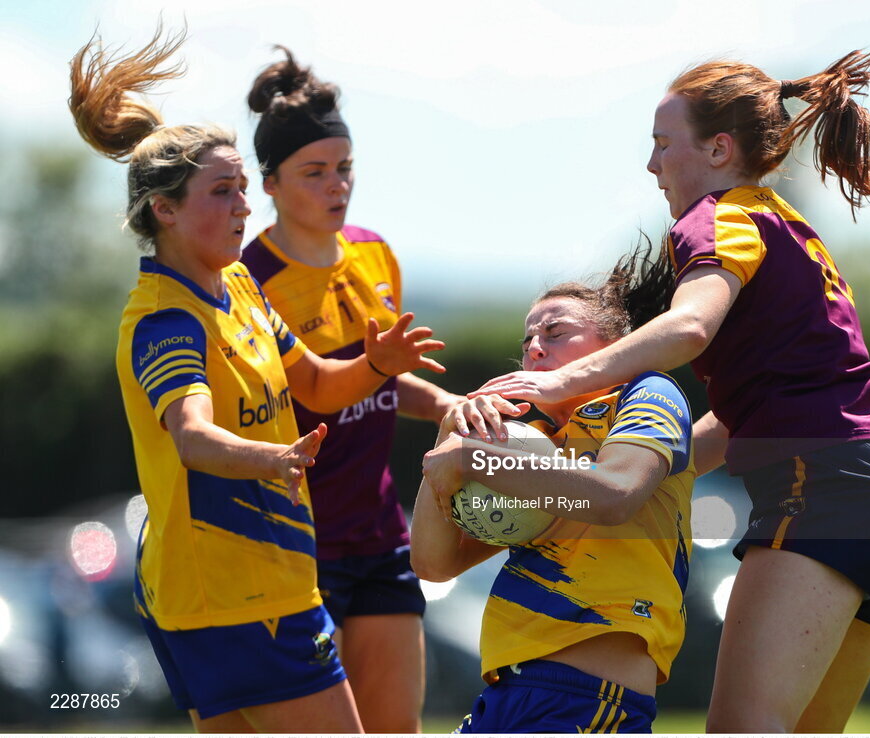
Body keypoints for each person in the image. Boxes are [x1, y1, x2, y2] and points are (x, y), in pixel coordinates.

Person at [474, 49, 870, 733]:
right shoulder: (783, 221)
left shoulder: (717, 218)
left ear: (718, 149)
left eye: (663, 145)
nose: (653, 165)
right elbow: (757, 410)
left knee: (741, 729)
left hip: (827, 485)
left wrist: (558, 382)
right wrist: (631, 468)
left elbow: (689, 327)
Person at [68, 27, 444, 733]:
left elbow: (317, 384)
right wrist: (273, 457)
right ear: (165, 210)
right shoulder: (166, 321)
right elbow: (193, 436)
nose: (244, 206)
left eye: (243, 189)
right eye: (223, 192)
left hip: (256, 588)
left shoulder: (236, 285)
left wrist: (377, 366)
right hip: (237, 598)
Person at [240, 47, 463, 732]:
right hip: (294, 545)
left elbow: (382, 384)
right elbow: (322, 388)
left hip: (378, 536)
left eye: (345, 169)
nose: (337, 186)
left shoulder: (374, 252)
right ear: (270, 183)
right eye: (315, 173)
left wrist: (448, 404)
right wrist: (383, 370)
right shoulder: (250, 277)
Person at [410, 249, 696, 733]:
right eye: (527, 342)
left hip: (586, 698)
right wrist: (449, 436)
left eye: (556, 333)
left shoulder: (647, 391)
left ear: (616, 345)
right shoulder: (534, 449)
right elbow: (434, 565)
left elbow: (614, 494)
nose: (535, 349)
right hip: (504, 694)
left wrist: (473, 459)